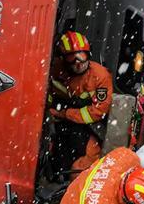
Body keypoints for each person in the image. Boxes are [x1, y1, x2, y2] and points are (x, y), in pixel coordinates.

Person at [48, 31, 113, 178]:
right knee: (59, 161)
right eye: (72, 57)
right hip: (61, 124)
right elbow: (48, 94)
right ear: (64, 59)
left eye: (82, 56)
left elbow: (98, 112)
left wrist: (64, 113)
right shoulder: (56, 71)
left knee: (80, 167)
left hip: (88, 127)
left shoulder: (100, 76)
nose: (78, 62)